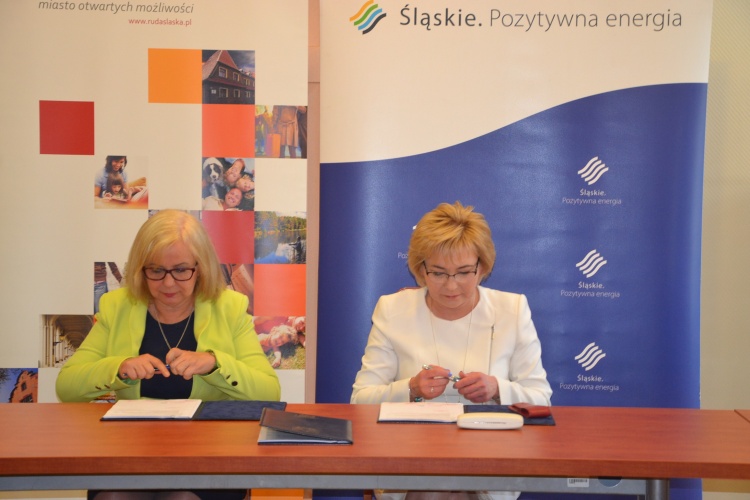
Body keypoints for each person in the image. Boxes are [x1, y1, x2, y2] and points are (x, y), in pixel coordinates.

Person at [57, 209, 280, 500]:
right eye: (156, 270)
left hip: (211, 453)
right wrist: (119, 367)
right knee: (112, 497)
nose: (168, 283)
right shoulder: (117, 306)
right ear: (140, 269)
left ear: (201, 267)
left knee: (181, 498)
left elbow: (269, 392)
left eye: (181, 270)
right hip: (131, 451)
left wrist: (215, 363)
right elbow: (67, 386)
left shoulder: (229, 307)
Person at [351, 201, 552, 500]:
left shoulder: (511, 309)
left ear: (482, 267)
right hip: (410, 470)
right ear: (421, 270)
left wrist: (497, 389)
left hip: (487, 470)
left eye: (463, 272)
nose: (451, 286)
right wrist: (410, 389)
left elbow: (541, 400)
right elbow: (360, 401)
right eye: (438, 273)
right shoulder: (393, 309)